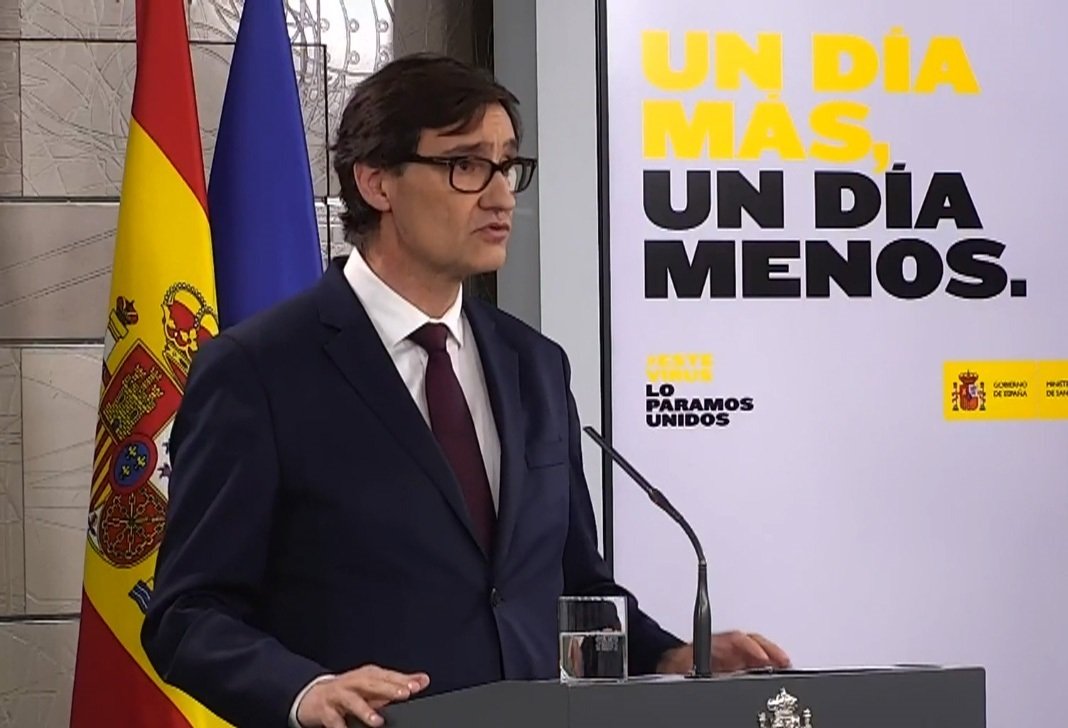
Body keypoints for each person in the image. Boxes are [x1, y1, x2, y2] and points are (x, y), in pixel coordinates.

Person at [141, 53, 790, 728]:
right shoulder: (258, 370)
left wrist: (671, 654)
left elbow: (573, 584)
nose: (501, 196)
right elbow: (189, 614)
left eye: (507, 166)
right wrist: (306, 691)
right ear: (377, 182)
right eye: (467, 165)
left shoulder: (534, 363)